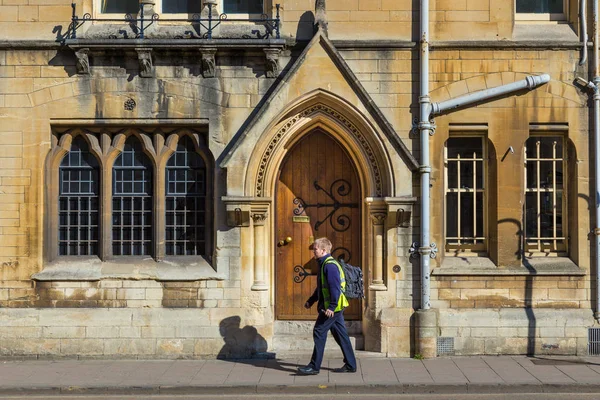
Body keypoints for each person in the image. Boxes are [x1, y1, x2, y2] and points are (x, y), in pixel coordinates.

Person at [297, 237, 357, 375]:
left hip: (332, 308)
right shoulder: (323, 264)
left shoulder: (329, 266)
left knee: (319, 332)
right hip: (334, 307)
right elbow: (321, 287)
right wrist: (311, 300)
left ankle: (314, 366)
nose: (313, 251)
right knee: (341, 335)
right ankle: (350, 364)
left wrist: (331, 307)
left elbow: (334, 288)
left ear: (323, 250)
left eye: (315, 249)